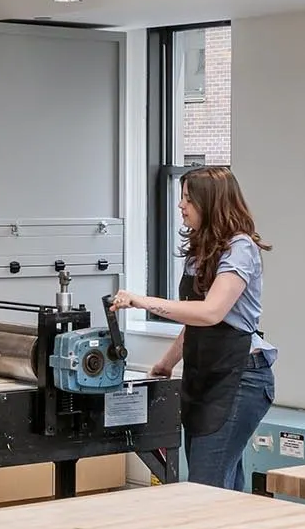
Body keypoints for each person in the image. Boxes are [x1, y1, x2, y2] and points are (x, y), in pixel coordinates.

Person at [107, 164, 275, 490]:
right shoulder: (201, 251)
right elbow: (195, 323)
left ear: (210, 203)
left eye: (187, 199)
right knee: (218, 483)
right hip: (205, 375)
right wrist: (166, 363)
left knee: (204, 487)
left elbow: (211, 312)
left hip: (240, 377)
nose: (181, 206)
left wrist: (142, 301)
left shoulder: (240, 248)